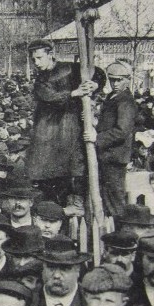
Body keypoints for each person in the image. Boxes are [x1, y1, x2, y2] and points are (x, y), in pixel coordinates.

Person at [24, 39, 98, 205]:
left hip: (70, 124)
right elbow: (48, 97)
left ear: (50, 55)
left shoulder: (70, 68)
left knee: (73, 165)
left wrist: (94, 84)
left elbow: (96, 71)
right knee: (48, 167)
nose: (36, 62)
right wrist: (74, 93)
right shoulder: (40, 81)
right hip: (48, 128)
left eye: (39, 57)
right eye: (33, 59)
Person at [96, 59, 138, 220]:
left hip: (115, 157)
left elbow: (122, 131)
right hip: (107, 156)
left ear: (127, 80)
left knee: (115, 199)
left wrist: (97, 138)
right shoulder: (112, 97)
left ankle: (121, 234)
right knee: (107, 197)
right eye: (112, 79)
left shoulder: (126, 101)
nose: (115, 83)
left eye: (119, 80)